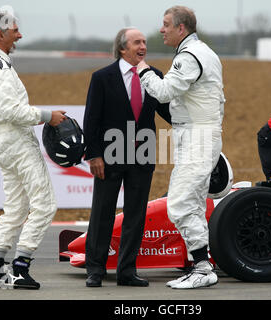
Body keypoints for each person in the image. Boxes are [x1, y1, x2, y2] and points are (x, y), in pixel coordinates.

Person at [0, 10, 66, 289]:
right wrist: (48, 116)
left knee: (15, 207)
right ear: (0, 34)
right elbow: (12, 110)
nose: (20, 34)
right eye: (15, 30)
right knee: (45, 204)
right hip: (16, 140)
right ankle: (20, 268)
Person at [137, 6, 225, 289]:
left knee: (179, 203)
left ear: (181, 28)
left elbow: (163, 91)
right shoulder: (201, 51)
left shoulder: (190, 56)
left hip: (198, 138)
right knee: (194, 204)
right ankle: (202, 266)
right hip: (199, 136)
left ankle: (202, 267)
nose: (161, 29)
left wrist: (142, 70)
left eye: (165, 25)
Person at [83, 27, 171, 287]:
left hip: (142, 156)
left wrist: (197, 118)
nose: (143, 46)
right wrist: (94, 155)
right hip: (109, 156)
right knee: (103, 212)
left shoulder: (154, 75)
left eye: (144, 42)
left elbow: (168, 111)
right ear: (122, 48)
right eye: (137, 42)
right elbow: (91, 120)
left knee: (136, 214)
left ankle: (127, 271)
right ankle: (95, 269)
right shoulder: (102, 78)